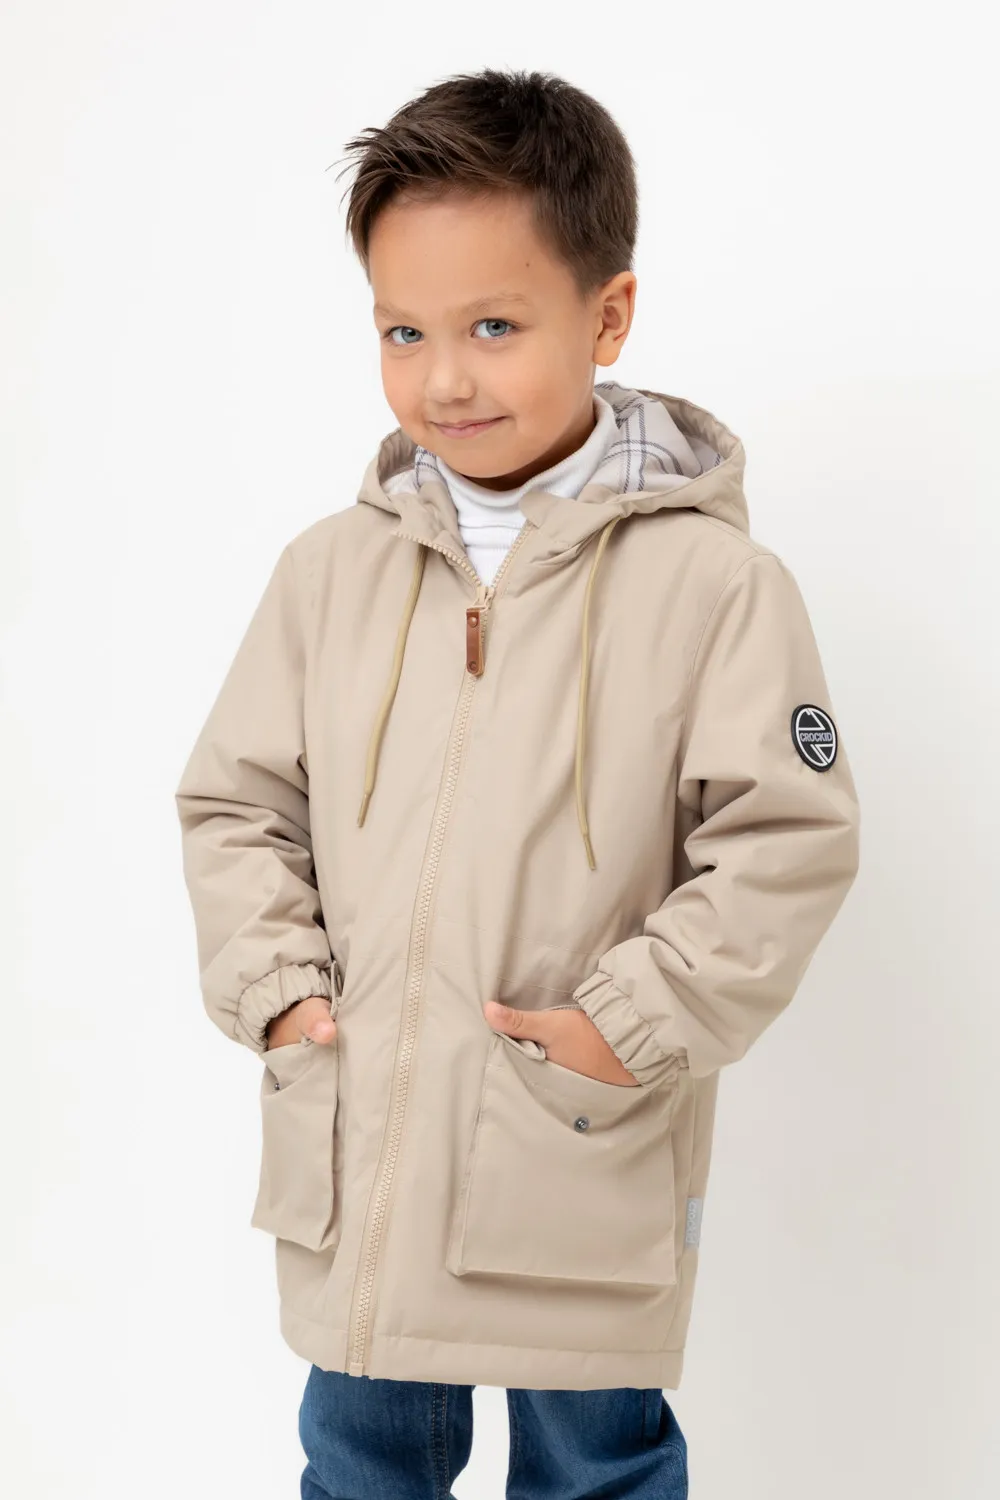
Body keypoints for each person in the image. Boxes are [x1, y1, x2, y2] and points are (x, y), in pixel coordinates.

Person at [174, 67, 861, 1500]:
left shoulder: (715, 587)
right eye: (403, 330)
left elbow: (786, 841)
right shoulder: (331, 574)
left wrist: (628, 1024)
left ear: (608, 316)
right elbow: (237, 805)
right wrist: (286, 996)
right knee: (358, 1465)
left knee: (596, 1470)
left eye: (494, 326)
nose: (444, 378)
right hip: (361, 1151)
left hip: (572, 1146)